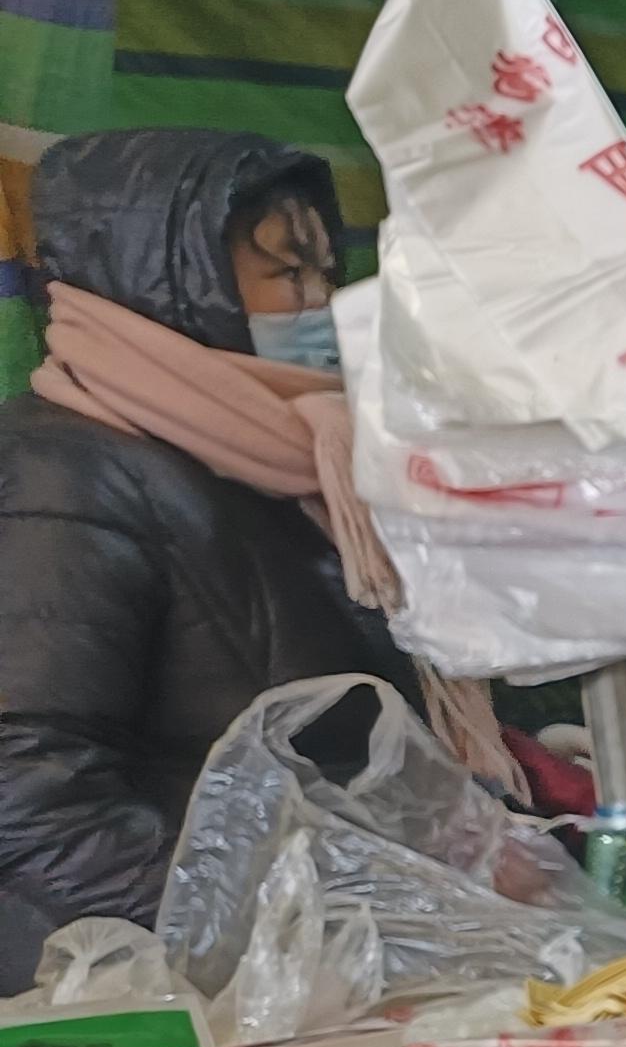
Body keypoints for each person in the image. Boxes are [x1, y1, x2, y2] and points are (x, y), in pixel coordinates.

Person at [0, 128, 428, 976]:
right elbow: (28, 794)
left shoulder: (280, 455)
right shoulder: (63, 476)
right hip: (162, 992)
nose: (321, 304)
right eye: (287, 275)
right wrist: (288, 938)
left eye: (325, 273)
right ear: (175, 279)